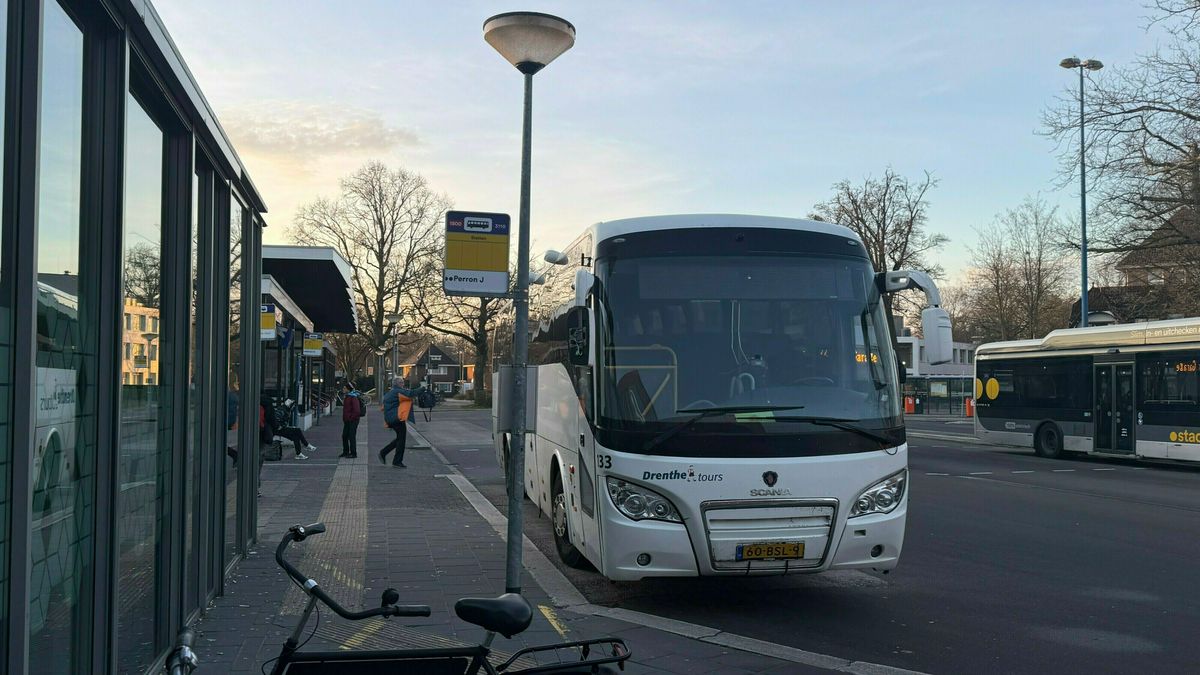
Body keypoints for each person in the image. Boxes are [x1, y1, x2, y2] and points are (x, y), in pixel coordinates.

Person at [379, 376, 424, 467]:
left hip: (390, 419)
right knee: (401, 440)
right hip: (397, 419)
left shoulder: (390, 392)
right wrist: (423, 388)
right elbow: (411, 393)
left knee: (400, 438)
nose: (403, 384)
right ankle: (396, 460)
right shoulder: (398, 391)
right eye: (401, 382)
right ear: (397, 384)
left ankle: (384, 453)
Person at [340, 382, 364, 458]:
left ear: (348, 389)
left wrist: (351, 417)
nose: (343, 389)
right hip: (347, 420)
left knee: (351, 436)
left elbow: (357, 410)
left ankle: (353, 453)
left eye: (344, 388)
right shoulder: (347, 396)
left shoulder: (353, 397)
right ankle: (346, 451)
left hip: (353, 420)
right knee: (344, 436)